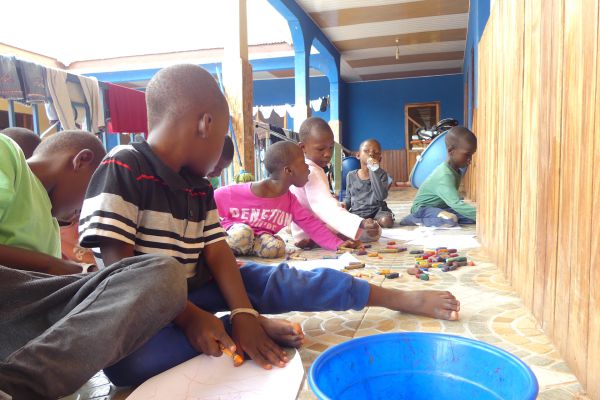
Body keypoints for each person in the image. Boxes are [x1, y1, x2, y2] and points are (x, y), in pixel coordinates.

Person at [78, 65, 460, 388]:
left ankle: (395, 298)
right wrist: (193, 317)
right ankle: (231, 329)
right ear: (206, 124)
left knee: (286, 280)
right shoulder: (123, 166)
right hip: (142, 310)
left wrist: (243, 312)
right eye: (223, 135)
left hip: (198, 289)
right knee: (128, 366)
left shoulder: (197, 185)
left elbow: (218, 252)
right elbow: (122, 272)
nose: (220, 154)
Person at [0, 131, 188, 400]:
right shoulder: (7, 154)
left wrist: (93, 280)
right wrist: (52, 266)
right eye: (95, 190)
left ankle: (16, 385)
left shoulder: (51, 226)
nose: (84, 211)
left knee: (164, 273)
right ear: (82, 160)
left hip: (24, 334)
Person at [215, 141, 359, 258]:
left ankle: (246, 251)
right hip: (236, 233)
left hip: (259, 239)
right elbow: (210, 201)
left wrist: (337, 244)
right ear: (289, 171)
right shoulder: (235, 192)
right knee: (243, 234)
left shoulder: (290, 201)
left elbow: (311, 224)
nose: (308, 169)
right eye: (304, 164)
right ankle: (228, 253)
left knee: (277, 248)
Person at [290, 117, 382, 248]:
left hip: (301, 230)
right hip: (314, 231)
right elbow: (324, 207)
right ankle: (320, 239)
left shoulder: (304, 168)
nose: (327, 154)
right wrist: (359, 223)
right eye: (320, 149)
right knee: (374, 233)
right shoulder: (312, 172)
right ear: (303, 147)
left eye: (331, 148)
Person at [400, 126, 477, 227]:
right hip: (423, 209)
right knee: (450, 219)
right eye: (467, 155)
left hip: (441, 208)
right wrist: (483, 215)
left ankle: (442, 216)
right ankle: (413, 219)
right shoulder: (444, 175)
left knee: (469, 217)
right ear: (451, 151)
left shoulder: (456, 171)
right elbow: (456, 204)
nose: (470, 159)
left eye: (471, 155)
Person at [344, 139, 394, 228]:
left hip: (378, 211)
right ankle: (367, 222)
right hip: (357, 212)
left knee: (387, 221)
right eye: (366, 151)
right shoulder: (351, 175)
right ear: (358, 155)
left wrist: (373, 169)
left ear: (380, 158)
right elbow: (348, 198)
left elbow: (381, 196)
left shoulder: (382, 174)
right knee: (345, 222)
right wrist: (343, 206)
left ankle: (369, 222)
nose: (371, 154)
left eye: (376, 152)